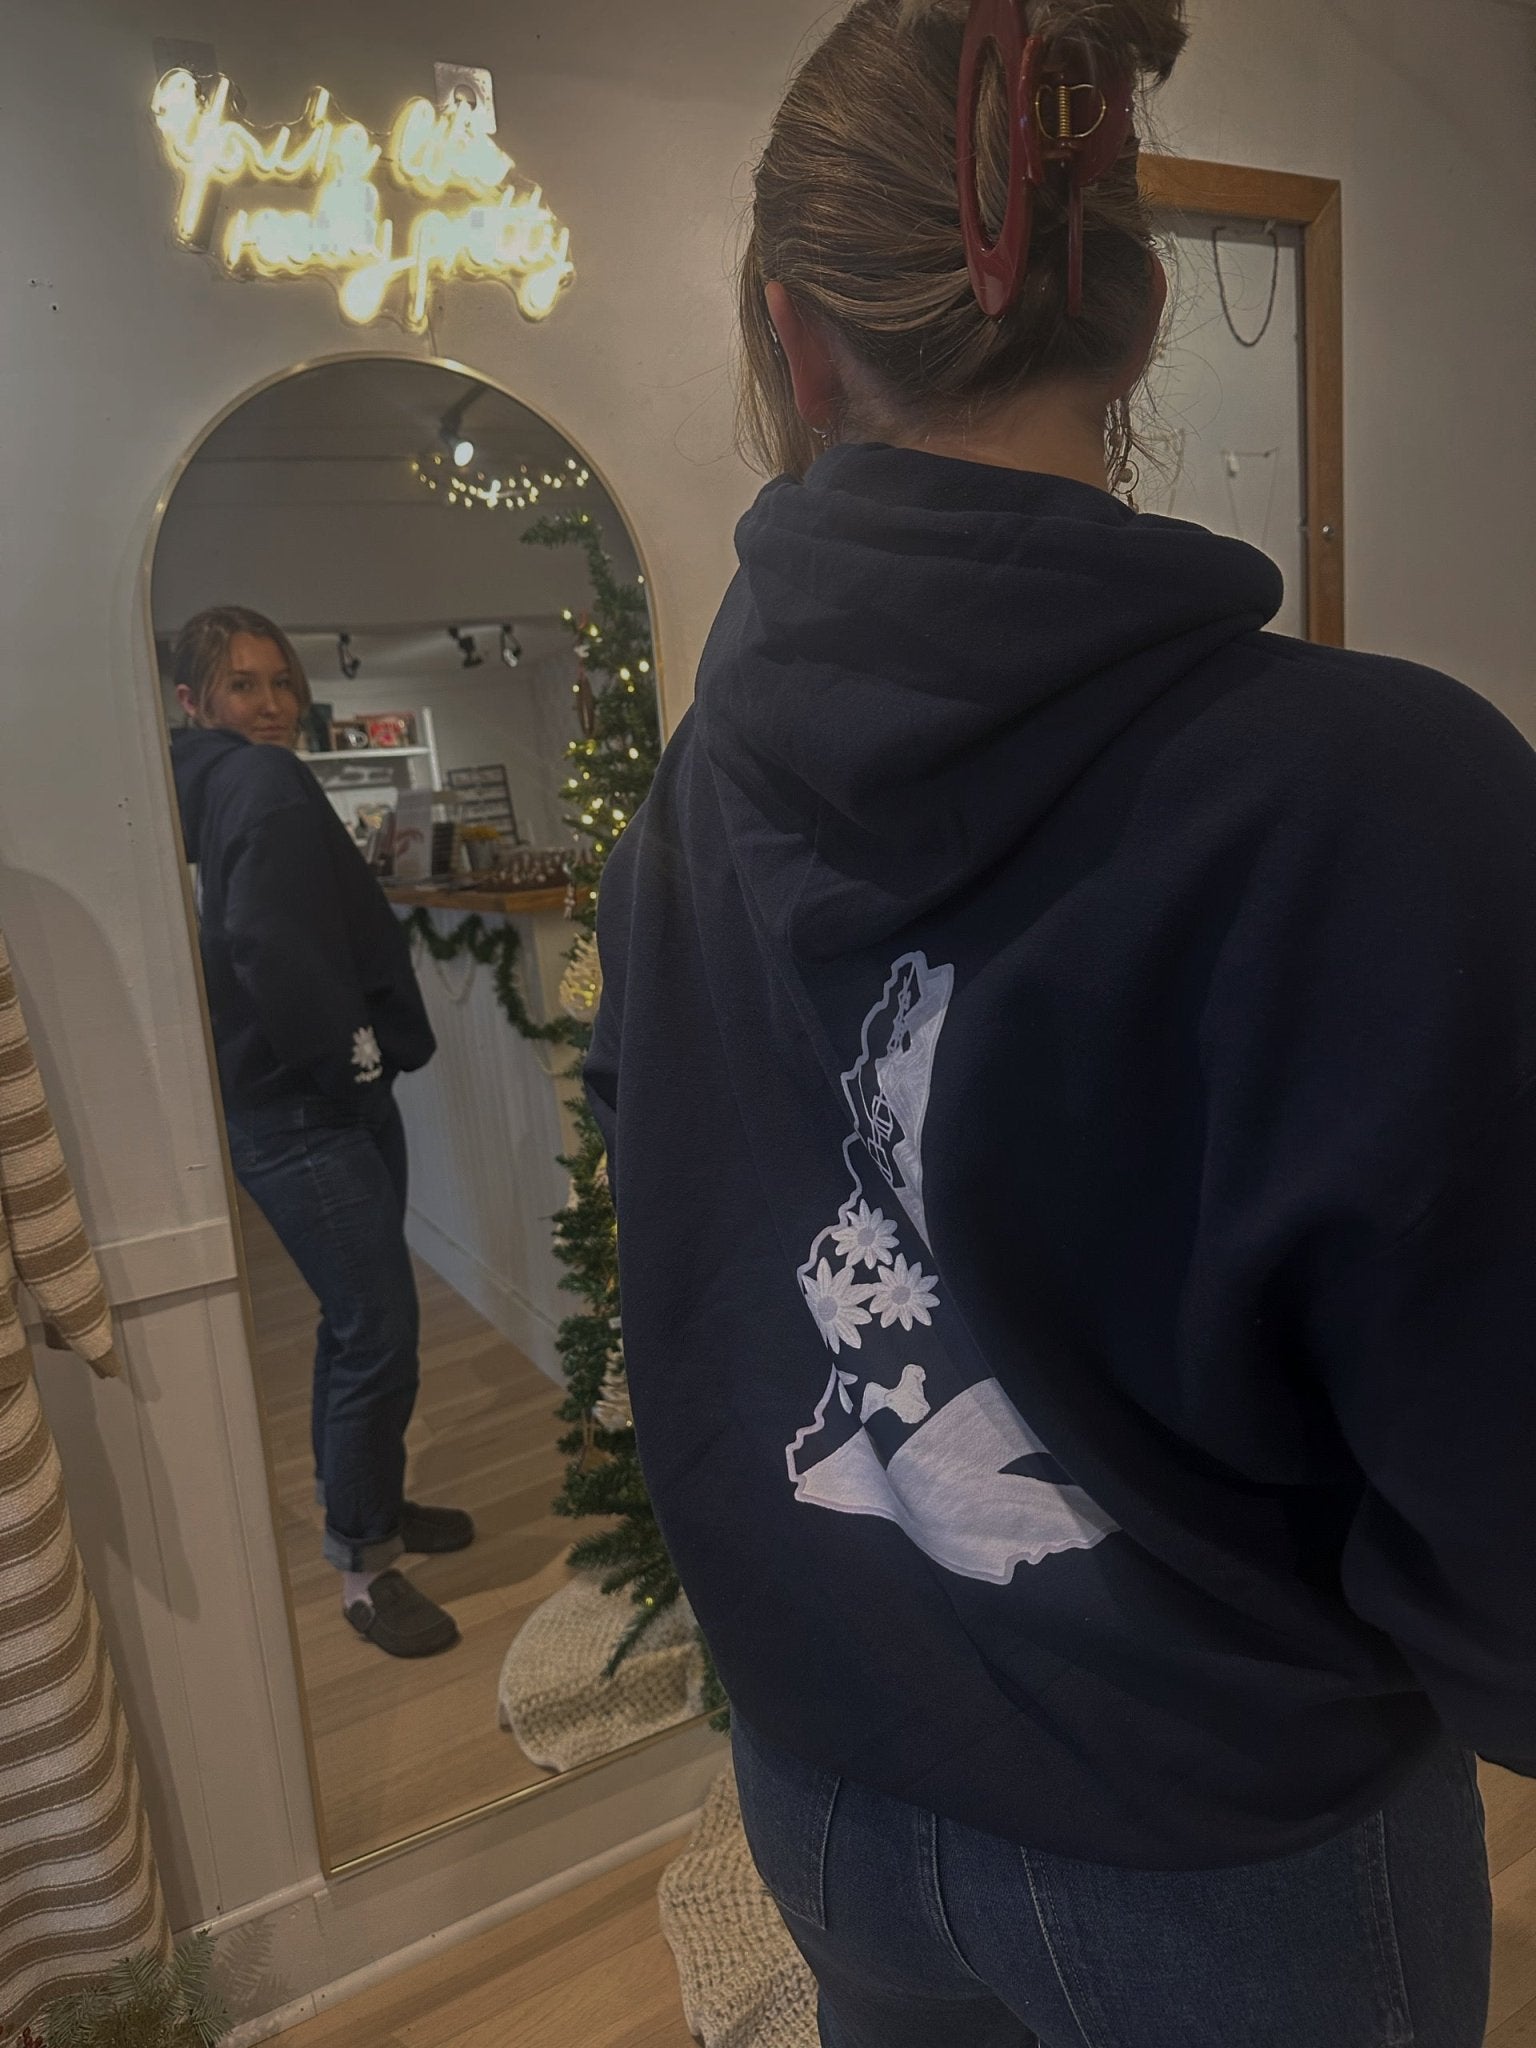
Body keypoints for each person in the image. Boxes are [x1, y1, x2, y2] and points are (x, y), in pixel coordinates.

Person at [584, 1, 1536, 2041]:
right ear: (1142, 316)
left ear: (794, 340)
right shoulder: (1381, 797)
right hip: (1222, 1838)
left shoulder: (682, 810)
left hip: (829, 1780)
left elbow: (690, 1265)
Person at [170, 606, 471, 1659]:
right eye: (243, 685)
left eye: (281, 683)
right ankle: (364, 1569)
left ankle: (370, 1504)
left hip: (294, 1101)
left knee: (358, 1326)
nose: (271, 705)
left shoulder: (214, 787)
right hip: (308, 1107)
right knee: (376, 1328)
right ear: (193, 702)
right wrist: (355, 1062)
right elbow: (266, 941)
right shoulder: (258, 779)